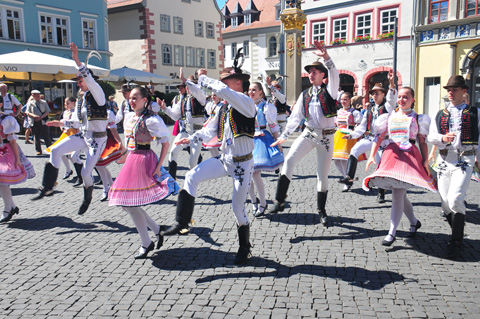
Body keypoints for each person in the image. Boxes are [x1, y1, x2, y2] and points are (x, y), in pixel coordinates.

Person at [161, 59, 257, 265]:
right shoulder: (223, 108)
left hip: (242, 165)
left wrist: (202, 78)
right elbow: (210, 130)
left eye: (227, 80)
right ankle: (182, 222)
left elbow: (222, 89)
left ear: (238, 82)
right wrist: (193, 137)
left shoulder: (246, 103)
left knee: (237, 208)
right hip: (225, 160)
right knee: (191, 175)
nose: (223, 84)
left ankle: (244, 247)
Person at [31, 43, 108, 217]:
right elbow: (76, 122)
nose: (78, 84)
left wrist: (76, 59)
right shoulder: (81, 99)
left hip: (97, 139)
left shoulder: (98, 93)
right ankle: (48, 187)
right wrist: (60, 124)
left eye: (80, 81)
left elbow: (89, 79)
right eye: (78, 81)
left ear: (88, 81)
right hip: (84, 135)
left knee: (86, 172)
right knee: (56, 150)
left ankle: (87, 196)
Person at [268, 40, 339, 227]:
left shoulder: (330, 91)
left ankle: (321, 211)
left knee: (322, 175)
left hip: (326, 136)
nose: (310, 74)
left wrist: (327, 58)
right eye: (309, 72)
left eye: (314, 72)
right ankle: (279, 200)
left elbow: (335, 74)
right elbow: (295, 117)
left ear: (322, 75)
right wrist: (283, 136)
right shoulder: (305, 94)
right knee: (289, 160)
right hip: (308, 133)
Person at [108, 87, 178, 259]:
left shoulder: (152, 120)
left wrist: (159, 165)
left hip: (144, 160)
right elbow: (127, 140)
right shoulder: (130, 116)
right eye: (130, 98)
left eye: (135, 98)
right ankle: (156, 230)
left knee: (130, 204)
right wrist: (124, 155)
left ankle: (146, 242)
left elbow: (165, 143)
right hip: (132, 159)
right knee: (127, 203)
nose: (131, 101)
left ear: (144, 100)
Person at [364, 87, 436, 246]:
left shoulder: (419, 118)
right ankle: (414, 222)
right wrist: (371, 156)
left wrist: (425, 160)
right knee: (400, 194)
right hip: (392, 155)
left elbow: (422, 142)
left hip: (409, 157)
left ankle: (392, 232)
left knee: (397, 194)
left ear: (413, 99)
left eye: (406, 97)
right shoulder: (389, 117)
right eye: (400, 97)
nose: (402, 100)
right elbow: (379, 136)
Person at [428, 75, 480, 259]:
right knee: (445, 202)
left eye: (454, 89)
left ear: (464, 91)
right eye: (449, 90)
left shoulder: (475, 112)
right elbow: (431, 137)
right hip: (444, 159)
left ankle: (456, 240)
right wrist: (442, 138)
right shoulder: (440, 113)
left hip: (465, 159)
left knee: (456, 197)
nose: (450, 93)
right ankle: (458, 230)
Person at [339, 72, 397, 202]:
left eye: (377, 93)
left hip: (383, 141)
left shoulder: (387, 107)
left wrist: (391, 83)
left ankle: (381, 192)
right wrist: (352, 135)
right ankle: (349, 177)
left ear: (383, 94)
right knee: (354, 150)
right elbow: (362, 126)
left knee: (380, 164)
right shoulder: (369, 110)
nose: (374, 95)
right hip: (370, 138)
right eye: (373, 93)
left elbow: (392, 97)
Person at [160, 69, 207, 179]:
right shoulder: (183, 99)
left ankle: (192, 182)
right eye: (186, 86)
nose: (187, 87)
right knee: (173, 153)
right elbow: (175, 115)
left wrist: (185, 80)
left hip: (197, 133)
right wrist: (164, 108)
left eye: (189, 85)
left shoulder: (200, 97)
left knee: (192, 162)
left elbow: (197, 90)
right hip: (185, 131)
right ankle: (172, 179)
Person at [247, 82, 283, 217]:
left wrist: (278, 141)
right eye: (250, 89)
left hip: (261, 139)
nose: (251, 92)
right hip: (247, 140)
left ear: (261, 92)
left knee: (255, 174)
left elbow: (273, 125)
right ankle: (253, 202)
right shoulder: (246, 105)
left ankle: (262, 203)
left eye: (254, 90)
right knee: (247, 175)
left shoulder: (266, 107)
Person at [0, 95, 35, 223]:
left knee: (2, 181)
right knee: (2, 182)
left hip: (5, 152)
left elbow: (12, 140)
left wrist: (18, 159)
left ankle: (7, 209)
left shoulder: (6, 119)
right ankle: (12, 207)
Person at [332, 92, 365, 192]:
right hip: (338, 136)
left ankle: (347, 181)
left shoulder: (354, 112)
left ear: (350, 100)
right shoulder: (338, 112)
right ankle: (347, 179)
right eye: (342, 99)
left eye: (345, 99)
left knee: (346, 160)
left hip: (349, 136)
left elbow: (361, 124)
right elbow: (334, 124)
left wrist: (354, 131)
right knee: (337, 160)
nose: (343, 101)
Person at [45, 97, 81, 181]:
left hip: (73, 133)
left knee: (72, 155)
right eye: (65, 103)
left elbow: (77, 125)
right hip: (65, 133)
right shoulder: (65, 112)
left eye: (67, 103)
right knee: (61, 152)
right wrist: (62, 128)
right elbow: (62, 123)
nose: (66, 105)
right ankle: (68, 170)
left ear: (73, 103)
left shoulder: (76, 112)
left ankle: (79, 172)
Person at [95, 108, 126, 201]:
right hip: (94, 140)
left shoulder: (107, 113)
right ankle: (111, 186)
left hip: (106, 140)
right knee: (99, 165)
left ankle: (106, 188)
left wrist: (119, 141)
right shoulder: (89, 112)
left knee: (100, 165)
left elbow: (113, 129)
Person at [25, 90, 52, 155]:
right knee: (36, 136)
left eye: (38, 94)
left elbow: (47, 111)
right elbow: (27, 112)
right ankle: (38, 150)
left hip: (43, 121)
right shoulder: (30, 103)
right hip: (34, 122)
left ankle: (50, 149)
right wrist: (34, 116)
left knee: (46, 136)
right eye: (35, 94)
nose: (37, 96)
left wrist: (41, 117)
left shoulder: (44, 102)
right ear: (32, 95)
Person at [202, 92, 223, 158]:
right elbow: (210, 116)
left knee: (212, 145)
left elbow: (218, 118)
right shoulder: (210, 105)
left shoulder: (222, 105)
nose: (213, 97)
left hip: (217, 127)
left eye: (215, 95)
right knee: (209, 146)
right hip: (211, 126)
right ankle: (216, 158)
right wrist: (206, 123)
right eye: (212, 95)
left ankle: (218, 159)